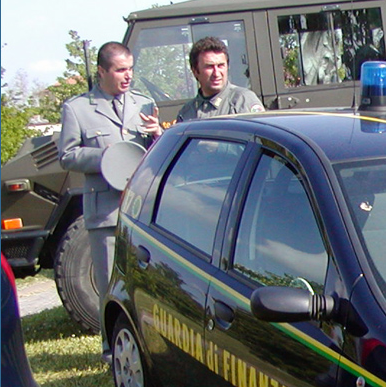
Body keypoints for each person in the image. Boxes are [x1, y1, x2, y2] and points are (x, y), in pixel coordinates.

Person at [59, 41, 161, 306]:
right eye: (119, 70)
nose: (128, 76)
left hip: (141, 210)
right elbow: (67, 156)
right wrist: (106, 158)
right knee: (110, 288)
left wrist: (157, 134)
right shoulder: (77, 109)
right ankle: (109, 347)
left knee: (146, 287)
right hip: (105, 211)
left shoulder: (144, 104)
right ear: (102, 72)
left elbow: (156, 155)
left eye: (130, 69)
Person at [176, 36, 265, 122]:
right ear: (195, 71)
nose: (216, 73)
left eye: (221, 66)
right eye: (209, 67)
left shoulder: (242, 100)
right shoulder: (186, 113)